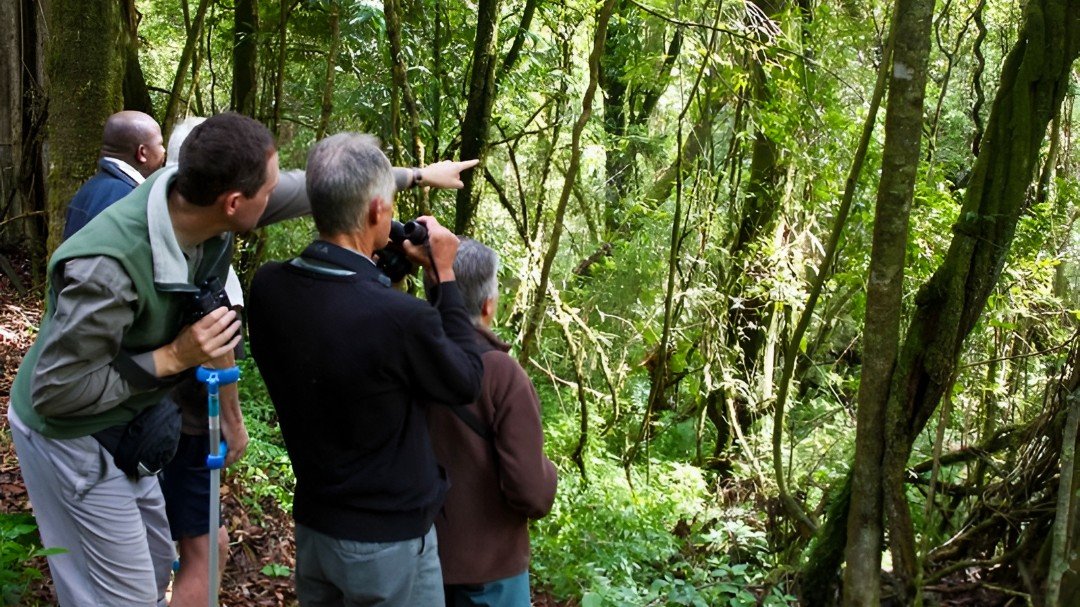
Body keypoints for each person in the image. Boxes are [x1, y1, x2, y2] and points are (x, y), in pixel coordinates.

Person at [7, 112, 478, 605]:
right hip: (68, 431)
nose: (281, 195)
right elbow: (57, 391)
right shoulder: (108, 269)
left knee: (147, 571)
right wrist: (174, 356)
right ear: (235, 203)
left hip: (129, 420)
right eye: (269, 188)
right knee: (118, 599)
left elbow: (314, 188)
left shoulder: (203, 208)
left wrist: (417, 175)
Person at [247, 132, 484, 607]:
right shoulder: (401, 318)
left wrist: (380, 273)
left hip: (316, 527)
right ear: (378, 211)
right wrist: (445, 278)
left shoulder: (269, 287)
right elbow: (465, 379)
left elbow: (341, 328)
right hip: (387, 544)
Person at [426, 238, 558, 607]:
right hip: (491, 576)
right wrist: (550, 472)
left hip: (415, 563)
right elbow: (531, 491)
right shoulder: (502, 374)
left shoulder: (409, 358)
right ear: (488, 305)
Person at [62, 110, 166, 239]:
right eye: (160, 144)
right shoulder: (130, 200)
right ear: (142, 153)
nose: (163, 150)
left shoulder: (88, 189)